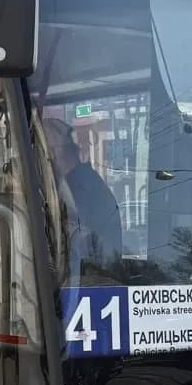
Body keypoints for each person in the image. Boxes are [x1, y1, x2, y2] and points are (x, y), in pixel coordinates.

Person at [43, 117, 122, 273]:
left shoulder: (79, 191)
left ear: (53, 154)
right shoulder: (85, 183)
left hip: (91, 277)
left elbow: (77, 246)